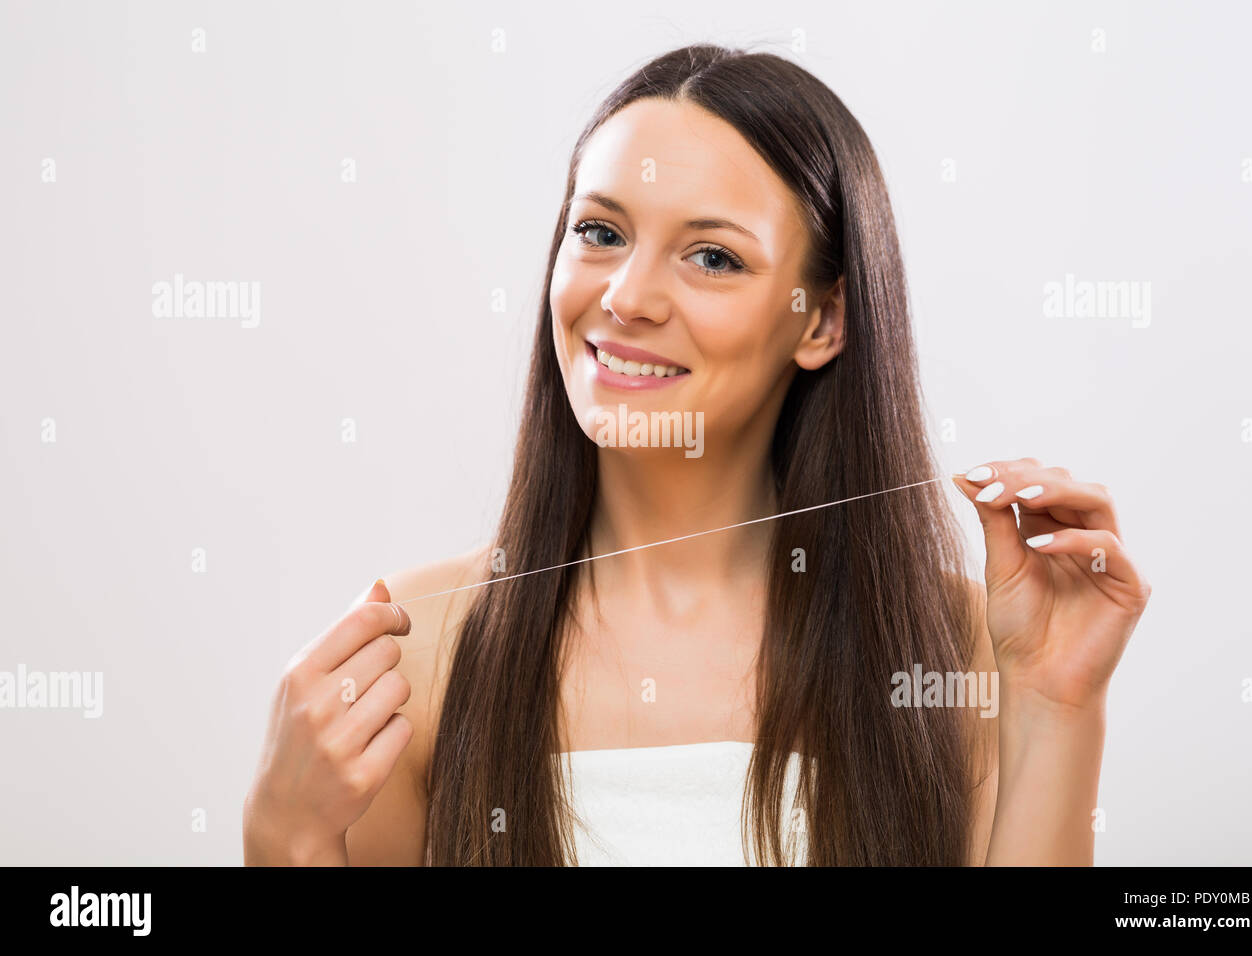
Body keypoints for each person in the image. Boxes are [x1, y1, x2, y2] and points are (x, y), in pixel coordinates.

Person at [243, 43, 1151, 866]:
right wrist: (284, 840)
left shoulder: (961, 655)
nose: (628, 297)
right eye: (599, 233)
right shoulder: (416, 650)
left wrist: (1056, 704)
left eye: (711, 257)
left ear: (823, 320)